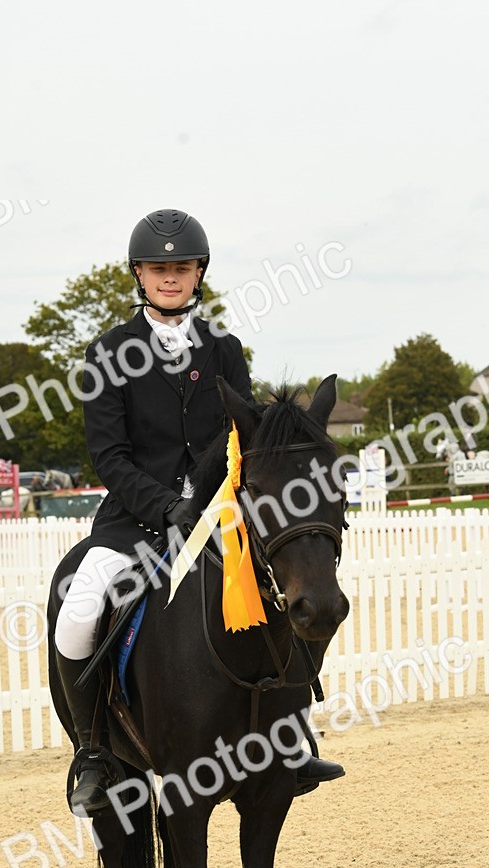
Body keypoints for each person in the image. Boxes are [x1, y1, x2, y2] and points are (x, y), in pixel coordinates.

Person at [54, 208, 343, 817]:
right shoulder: (107, 353)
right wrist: (166, 505)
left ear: (198, 273)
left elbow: (245, 434)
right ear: (139, 274)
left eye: (181, 267)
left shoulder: (224, 349)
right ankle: (95, 751)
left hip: (220, 515)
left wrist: (215, 502)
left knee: (296, 592)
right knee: (78, 611)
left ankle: (290, 736)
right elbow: (109, 454)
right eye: (158, 268)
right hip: (135, 520)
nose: (170, 277)